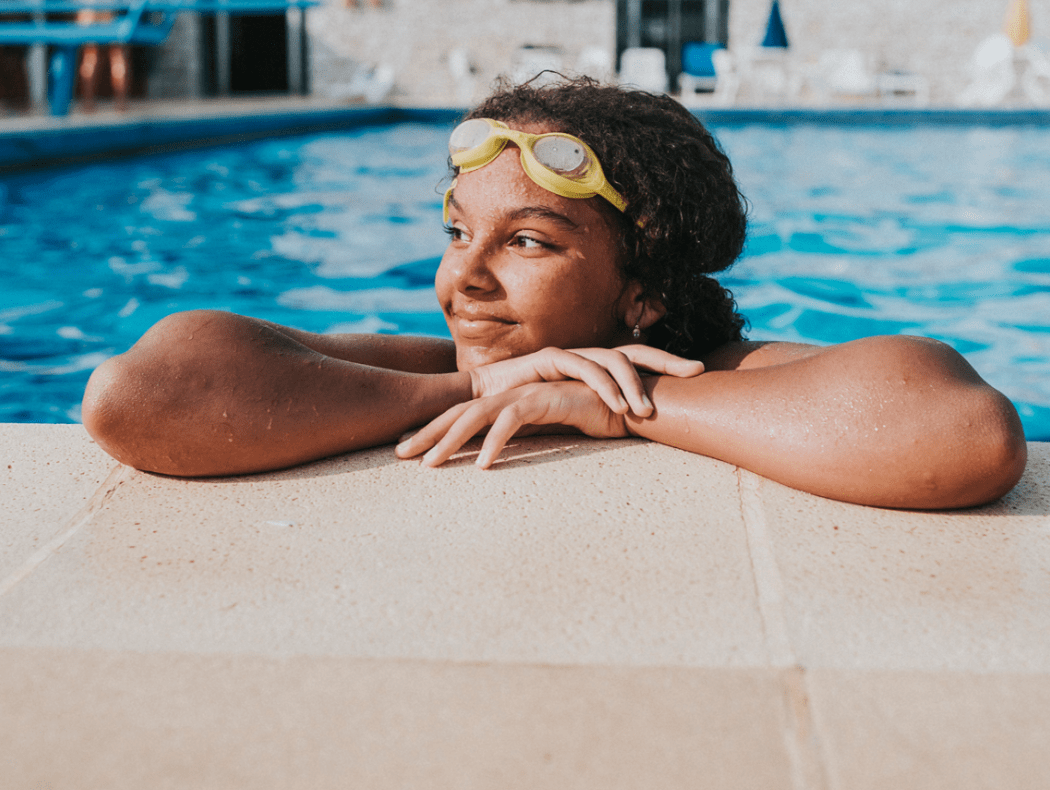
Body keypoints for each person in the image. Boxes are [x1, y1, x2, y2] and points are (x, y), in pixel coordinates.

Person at [81, 77, 1027, 509]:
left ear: (646, 294)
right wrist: (483, 390)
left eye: (527, 241)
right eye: (458, 233)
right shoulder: (444, 365)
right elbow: (137, 396)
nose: (463, 278)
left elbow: (961, 435)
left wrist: (626, 404)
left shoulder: (722, 373)